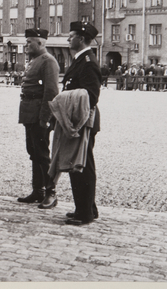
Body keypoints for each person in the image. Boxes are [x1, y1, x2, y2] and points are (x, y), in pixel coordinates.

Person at [61, 21, 102, 225]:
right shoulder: (80, 60)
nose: (69, 39)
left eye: (72, 36)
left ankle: (84, 213)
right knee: (79, 165)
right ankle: (86, 208)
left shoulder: (88, 63)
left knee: (82, 166)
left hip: (82, 122)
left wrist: (66, 103)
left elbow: (91, 96)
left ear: (82, 39)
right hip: (76, 121)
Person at [17, 28, 60, 209]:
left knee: (42, 154)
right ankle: (38, 190)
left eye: (29, 42)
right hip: (29, 112)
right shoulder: (35, 60)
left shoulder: (48, 61)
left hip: (38, 114)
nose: (26, 45)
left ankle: (51, 192)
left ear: (40, 43)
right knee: (33, 152)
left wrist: (45, 118)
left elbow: (51, 92)